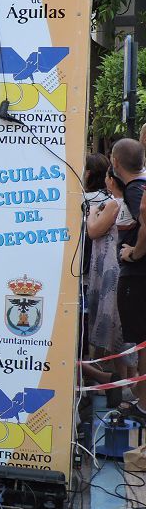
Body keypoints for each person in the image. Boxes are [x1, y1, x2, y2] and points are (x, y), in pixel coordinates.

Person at [110, 139, 146, 423]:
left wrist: (135, 252)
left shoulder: (135, 189)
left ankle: (143, 405)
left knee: (142, 342)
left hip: (138, 276)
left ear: (116, 162)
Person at [85, 159, 130, 379]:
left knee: (111, 319)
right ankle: (126, 378)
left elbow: (93, 230)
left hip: (109, 267)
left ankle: (119, 379)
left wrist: (92, 212)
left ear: (112, 180)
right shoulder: (129, 200)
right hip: (119, 266)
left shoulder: (114, 203)